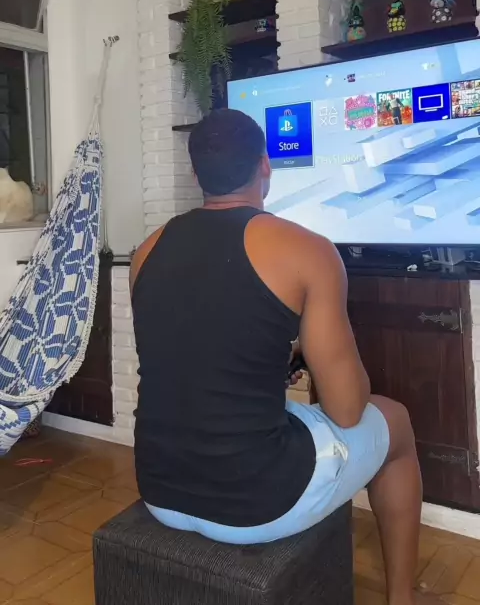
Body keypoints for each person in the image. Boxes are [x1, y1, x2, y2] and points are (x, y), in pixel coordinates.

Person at [130, 108, 439, 605]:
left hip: (160, 490)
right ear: (265, 165)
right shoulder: (307, 250)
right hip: (257, 503)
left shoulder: (147, 250)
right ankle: (402, 598)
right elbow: (347, 410)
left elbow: (193, 357)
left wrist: (278, 351)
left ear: (195, 174)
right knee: (395, 421)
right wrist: (320, 356)